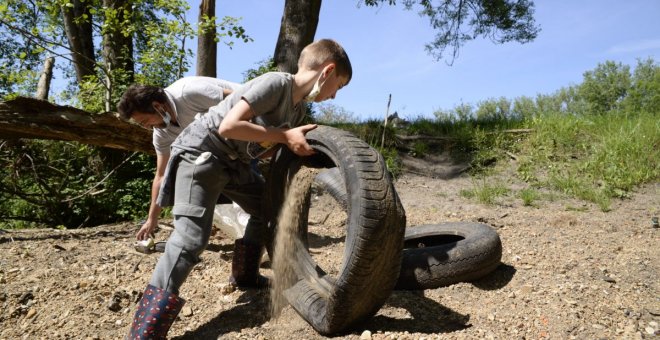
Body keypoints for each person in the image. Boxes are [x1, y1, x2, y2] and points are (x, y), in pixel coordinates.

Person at [127, 38, 352, 339]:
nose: (335, 95)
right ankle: (144, 331)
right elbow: (228, 127)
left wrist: (294, 148)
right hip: (201, 154)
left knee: (269, 211)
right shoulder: (275, 84)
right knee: (191, 239)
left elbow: (267, 144)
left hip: (236, 164)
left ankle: (244, 275)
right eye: (338, 86)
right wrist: (284, 135)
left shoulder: (296, 112)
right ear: (327, 71)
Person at [117, 77, 240, 241]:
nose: (146, 127)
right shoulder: (161, 134)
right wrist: (152, 219)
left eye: (145, 121)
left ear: (158, 106)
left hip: (256, 123)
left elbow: (245, 100)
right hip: (224, 149)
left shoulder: (189, 93)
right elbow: (161, 176)